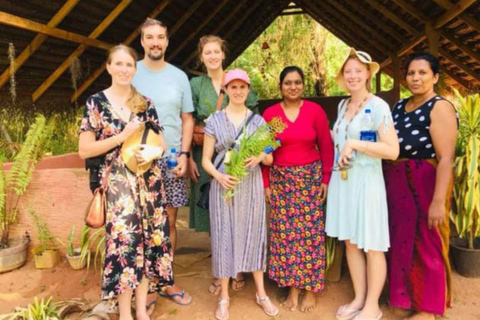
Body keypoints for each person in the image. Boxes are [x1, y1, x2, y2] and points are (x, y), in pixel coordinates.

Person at [79, 44, 173, 320]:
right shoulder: (95, 103)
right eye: (118, 64)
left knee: (148, 245)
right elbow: (85, 149)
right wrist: (121, 137)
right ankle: (124, 313)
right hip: (118, 184)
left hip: (149, 182)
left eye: (128, 65)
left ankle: (141, 311)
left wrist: (155, 151)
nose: (123, 69)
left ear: (135, 68)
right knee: (125, 246)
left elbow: (162, 142)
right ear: (108, 67)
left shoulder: (144, 102)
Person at [325, 48, 399, 320]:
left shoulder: (379, 106)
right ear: (343, 77)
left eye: (358, 70)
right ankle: (358, 298)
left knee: (372, 243)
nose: (353, 75)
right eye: (348, 71)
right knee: (351, 242)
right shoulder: (343, 105)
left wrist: (355, 144)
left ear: (368, 73)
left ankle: (372, 306)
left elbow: (392, 150)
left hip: (367, 183)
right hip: (343, 181)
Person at [383, 53, 457, 320]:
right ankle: (405, 297)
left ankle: (428, 307)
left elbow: (446, 158)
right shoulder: (400, 107)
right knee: (401, 239)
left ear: (435, 77)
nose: (415, 78)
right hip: (397, 182)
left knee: (428, 241)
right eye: (411, 73)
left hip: (425, 182)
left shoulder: (440, 107)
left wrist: (438, 200)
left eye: (422, 73)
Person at [202, 69, 279, 320]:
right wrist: (219, 176)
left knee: (253, 234)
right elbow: (205, 160)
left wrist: (260, 155)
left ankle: (261, 293)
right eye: (232, 87)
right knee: (224, 234)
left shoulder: (257, 122)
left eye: (242, 87)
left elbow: (269, 158)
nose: (238, 91)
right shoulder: (214, 120)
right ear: (225, 90)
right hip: (224, 184)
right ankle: (224, 297)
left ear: (248, 90)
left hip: (250, 183)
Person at [189, 35, 258, 294]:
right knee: (213, 213)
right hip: (207, 154)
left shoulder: (237, 79)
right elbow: (188, 117)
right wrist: (187, 155)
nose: (213, 56)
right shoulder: (196, 84)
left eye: (217, 51)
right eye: (208, 52)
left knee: (237, 211)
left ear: (223, 54)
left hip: (238, 154)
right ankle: (221, 270)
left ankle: (238, 267)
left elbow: (254, 120)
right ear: (201, 56)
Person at [262, 66, 334, 313]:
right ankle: (293, 288)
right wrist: (266, 184)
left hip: (310, 179)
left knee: (310, 235)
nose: (292, 87)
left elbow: (326, 146)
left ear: (303, 85)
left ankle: (311, 289)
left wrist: (325, 179)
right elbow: (265, 152)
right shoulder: (270, 114)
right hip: (281, 179)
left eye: (297, 82)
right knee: (286, 235)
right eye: (287, 83)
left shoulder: (315, 111)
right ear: (280, 87)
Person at [131, 18, 193, 305]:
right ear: (142, 41)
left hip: (170, 161)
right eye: (149, 37)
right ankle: (145, 286)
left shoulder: (180, 77)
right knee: (140, 223)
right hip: (138, 160)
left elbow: (187, 119)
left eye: (160, 37)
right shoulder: (130, 73)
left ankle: (166, 281)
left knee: (169, 221)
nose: (155, 42)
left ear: (167, 42)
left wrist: (184, 154)